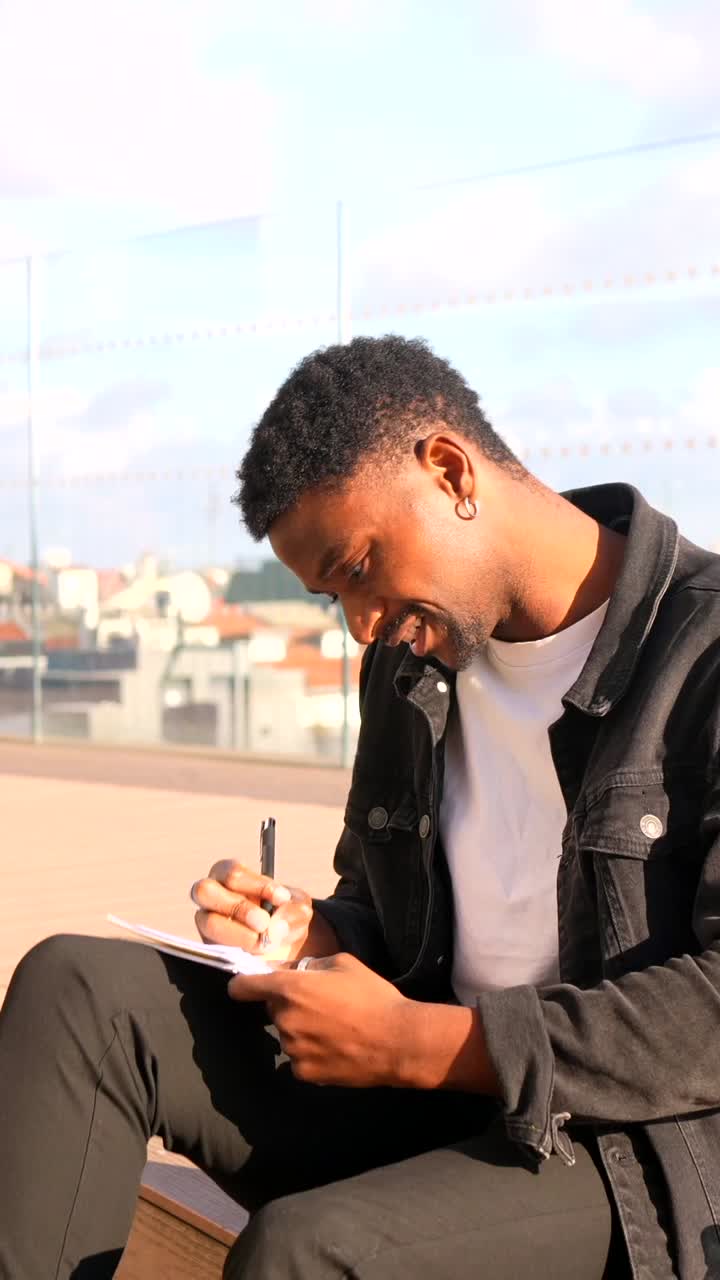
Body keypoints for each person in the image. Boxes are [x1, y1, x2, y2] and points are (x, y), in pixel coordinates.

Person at [1, 335, 719, 1280]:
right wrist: (310, 936)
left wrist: (433, 1045)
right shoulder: (413, 665)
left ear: (451, 471)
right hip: (422, 1084)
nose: (361, 624)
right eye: (331, 593)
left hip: (623, 1152)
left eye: (359, 567)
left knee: (303, 1253)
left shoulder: (701, 651)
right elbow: (385, 917)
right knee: (78, 990)